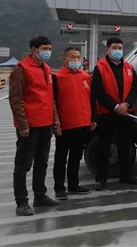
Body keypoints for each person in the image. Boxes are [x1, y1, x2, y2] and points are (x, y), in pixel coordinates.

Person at [9, 36, 61, 216]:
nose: (48, 51)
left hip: (45, 124)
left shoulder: (46, 68)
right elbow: (15, 99)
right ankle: (21, 202)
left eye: (49, 48)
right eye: (44, 48)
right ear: (34, 49)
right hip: (29, 126)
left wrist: (55, 121)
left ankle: (40, 196)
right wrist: (22, 124)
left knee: (42, 162)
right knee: (23, 165)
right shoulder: (21, 69)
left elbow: (50, 98)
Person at [92, 37, 137, 190]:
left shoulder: (128, 67)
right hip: (107, 113)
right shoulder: (100, 67)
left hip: (126, 113)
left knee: (125, 145)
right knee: (104, 147)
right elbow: (98, 91)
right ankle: (101, 178)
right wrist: (115, 106)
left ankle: (126, 175)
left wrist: (126, 104)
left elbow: (135, 89)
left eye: (120, 48)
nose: (118, 50)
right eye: (114, 48)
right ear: (108, 50)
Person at [52, 47, 98, 199]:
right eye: (73, 57)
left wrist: (93, 118)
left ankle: (73, 185)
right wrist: (55, 123)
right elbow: (52, 102)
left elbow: (91, 99)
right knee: (61, 158)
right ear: (65, 59)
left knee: (76, 157)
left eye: (78, 57)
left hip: (83, 123)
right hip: (65, 125)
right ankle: (59, 188)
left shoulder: (86, 76)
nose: (76, 60)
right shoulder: (57, 77)